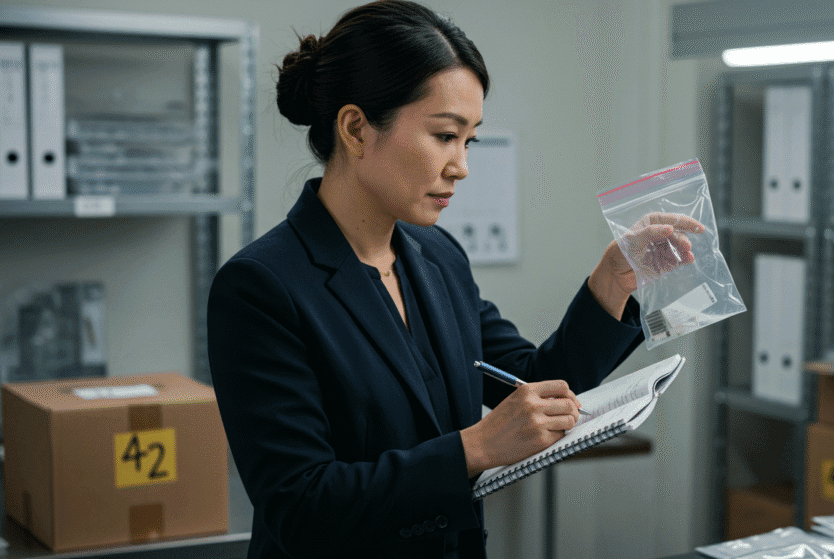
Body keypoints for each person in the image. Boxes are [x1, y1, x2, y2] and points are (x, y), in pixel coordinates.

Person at [206, 1, 704, 558]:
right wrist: (474, 447)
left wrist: (612, 283)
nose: (461, 165)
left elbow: (535, 381)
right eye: (445, 136)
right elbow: (300, 507)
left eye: (470, 140)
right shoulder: (260, 287)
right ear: (355, 128)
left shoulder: (437, 256)